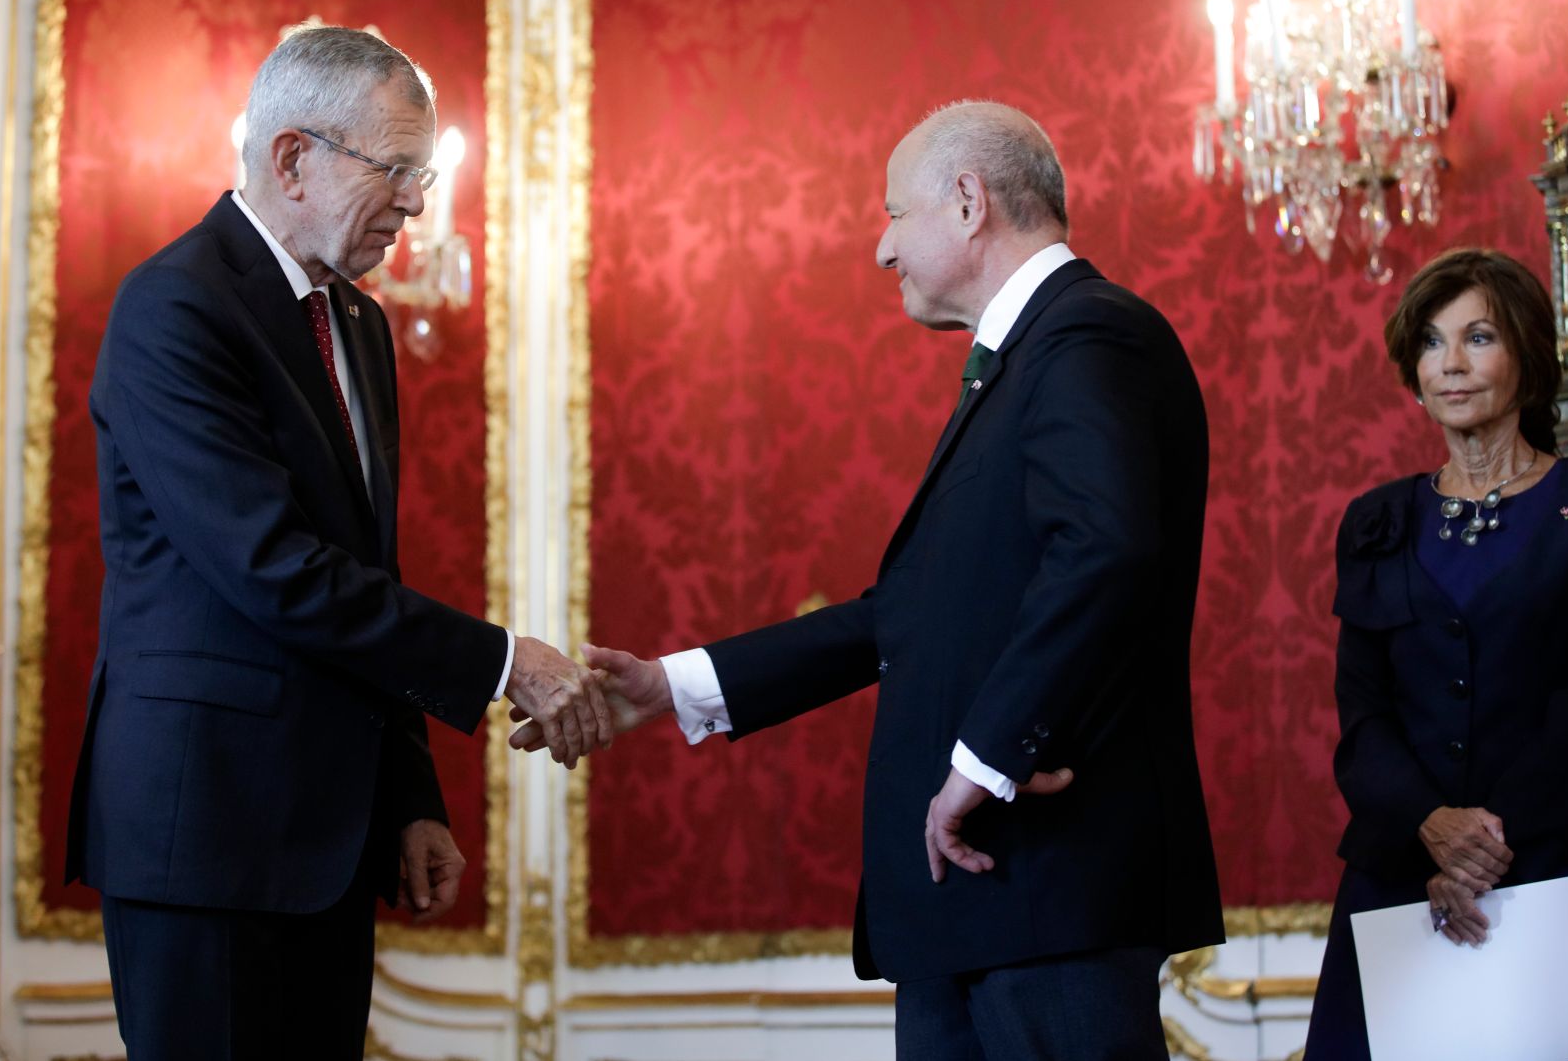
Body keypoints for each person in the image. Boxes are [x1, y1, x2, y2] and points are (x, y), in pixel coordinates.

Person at [517, 101, 1224, 1059]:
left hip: (1048, 889)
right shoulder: (1023, 363)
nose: (881, 248)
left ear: (969, 202)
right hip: (971, 904)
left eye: (894, 213)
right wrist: (675, 686)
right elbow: (902, 618)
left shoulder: (1092, 335)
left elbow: (1105, 553)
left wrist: (984, 760)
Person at [66, 26, 611, 1059]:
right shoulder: (174, 306)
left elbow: (366, 574)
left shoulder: (355, 325)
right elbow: (277, 570)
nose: (416, 201)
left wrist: (406, 791)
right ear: (291, 159)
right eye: (398, 169)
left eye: (425, 173)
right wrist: (506, 661)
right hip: (207, 829)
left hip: (331, 834)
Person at [1305, 249, 1568, 1057]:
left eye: (1478, 337)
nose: (1454, 364)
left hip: (1560, 861)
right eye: (1434, 344)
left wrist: (1477, 854)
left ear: (1528, 358)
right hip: (1400, 871)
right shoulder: (1376, 522)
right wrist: (1432, 830)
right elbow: (1363, 718)